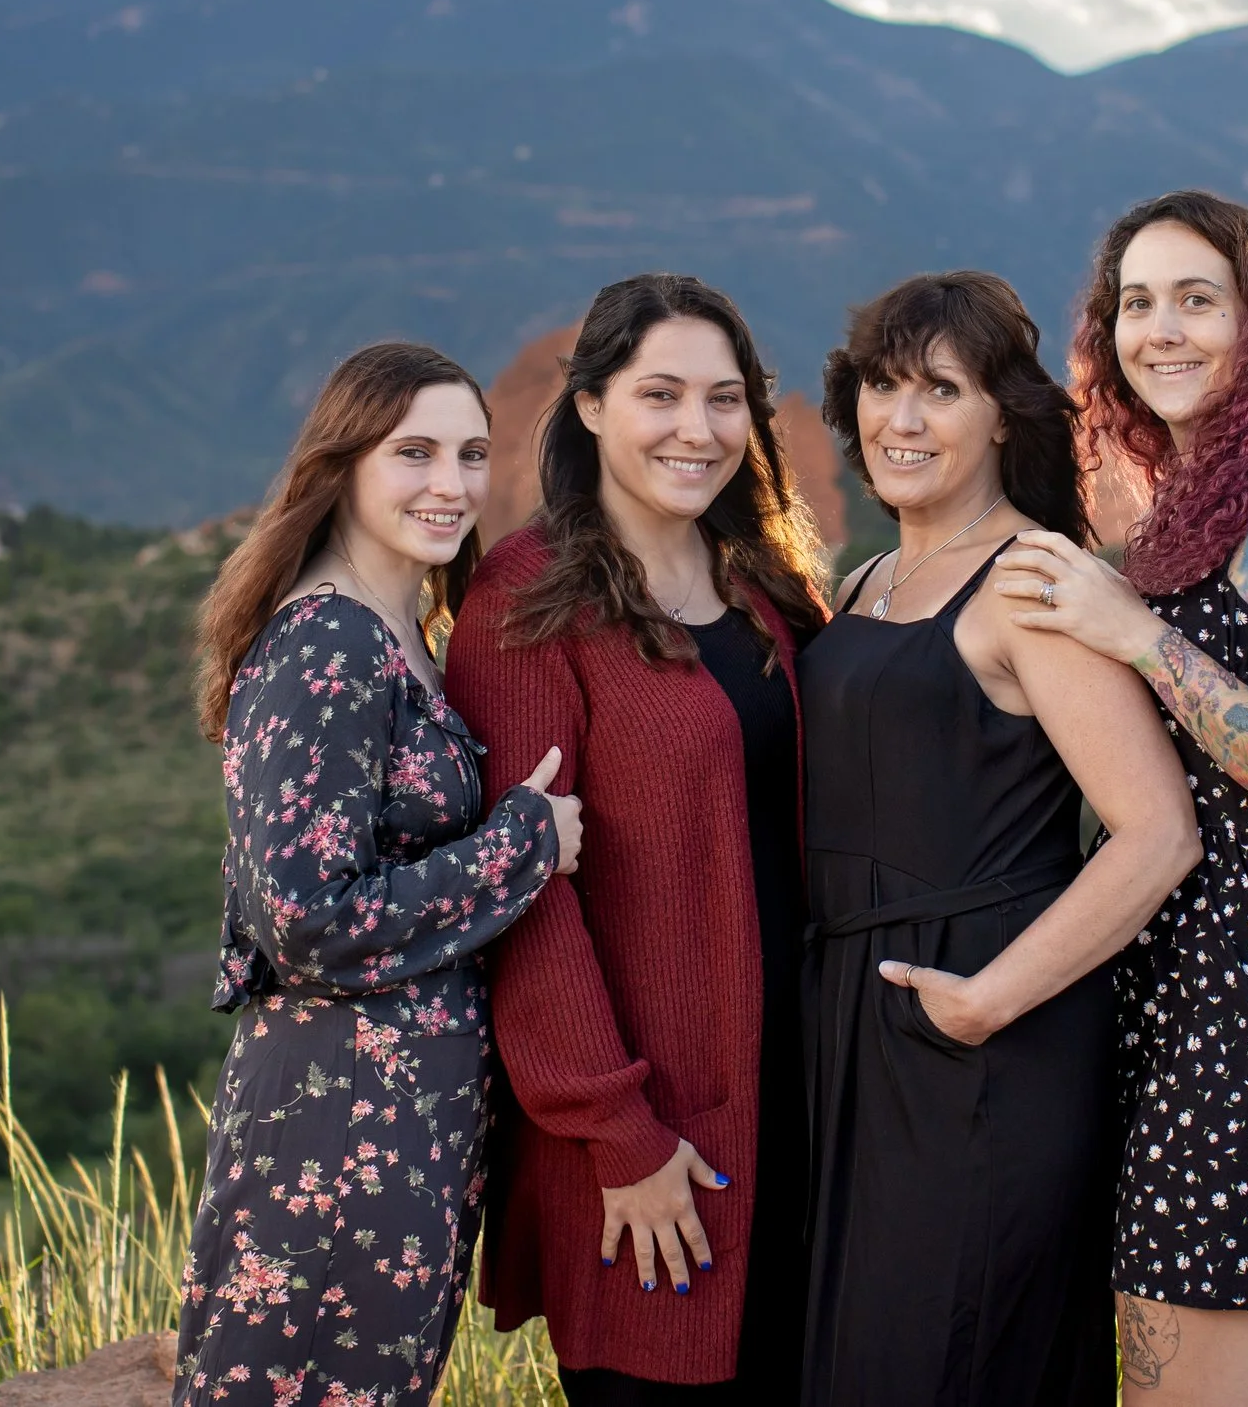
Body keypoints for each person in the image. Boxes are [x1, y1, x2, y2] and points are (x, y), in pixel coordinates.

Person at [990, 192, 1248, 1407]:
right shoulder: (1178, 512)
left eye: (1196, 299)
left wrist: (1137, 635)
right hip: (1184, 986)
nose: (1160, 329)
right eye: (1136, 302)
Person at [799, 271, 1202, 1407]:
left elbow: (1155, 832)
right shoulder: (867, 579)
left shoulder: (1030, 579)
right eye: (883, 386)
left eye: (940, 388)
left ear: (1001, 416)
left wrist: (982, 1000)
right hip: (851, 1032)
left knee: (949, 1359)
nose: (902, 418)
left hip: (983, 1036)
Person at [444, 274, 831, 1404]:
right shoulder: (529, 598)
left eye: (724, 399)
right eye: (659, 392)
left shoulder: (760, 578)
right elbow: (522, 899)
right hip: (653, 1143)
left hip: (797, 1110)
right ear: (593, 405)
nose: (696, 428)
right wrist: (619, 1135)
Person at [175, 342, 585, 1407]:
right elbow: (302, 916)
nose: (450, 485)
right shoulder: (327, 641)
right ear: (344, 464)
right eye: (414, 453)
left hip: (409, 1116)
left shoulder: (405, 627)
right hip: (335, 1116)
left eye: (470, 454)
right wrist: (524, 842)